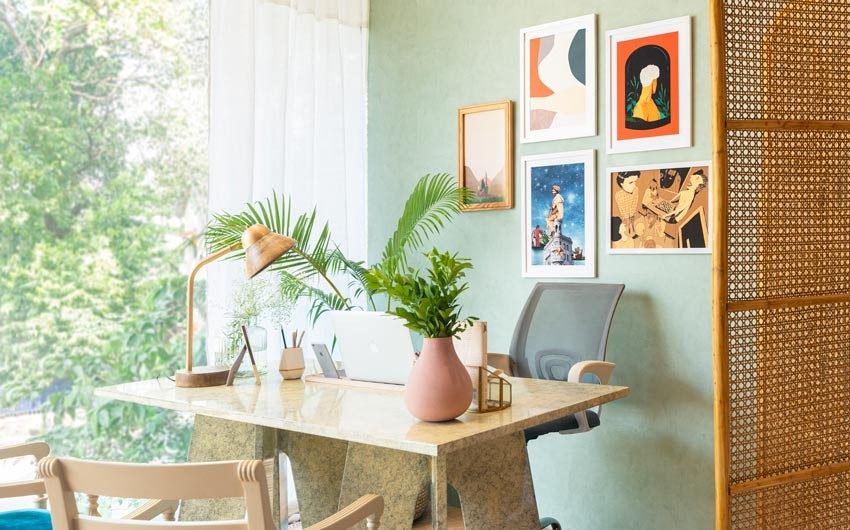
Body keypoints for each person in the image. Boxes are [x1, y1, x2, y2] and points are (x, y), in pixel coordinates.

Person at [614, 172, 640, 239]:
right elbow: (622, 209)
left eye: (635, 181)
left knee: (632, 221)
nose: (634, 185)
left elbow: (635, 203)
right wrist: (626, 217)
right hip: (625, 212)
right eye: (630, 182)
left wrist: (632, 214)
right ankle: (629, 233)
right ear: (622, 184)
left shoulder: (636, 189)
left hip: (632, 210)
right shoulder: (619, 195)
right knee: (628, 223)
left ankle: (633, 231)